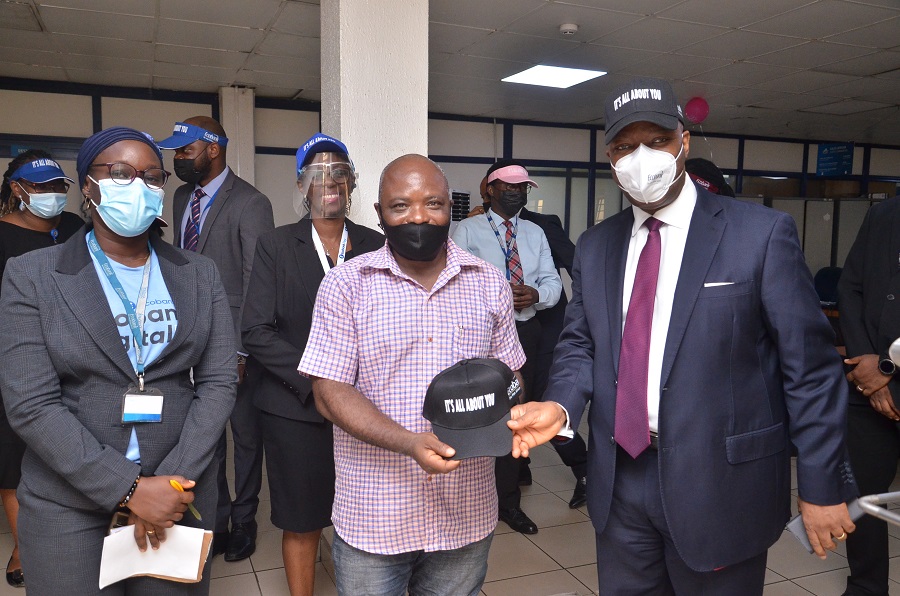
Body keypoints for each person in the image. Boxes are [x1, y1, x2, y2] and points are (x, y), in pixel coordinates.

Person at [505, 76, 858, 594]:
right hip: (620, 481)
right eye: (625, 147)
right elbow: (581, 343)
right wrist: (559, 405)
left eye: (657, 141)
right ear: (610, 157)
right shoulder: (597, 245)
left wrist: (822, 483)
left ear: (684, 142)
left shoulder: (759, 234)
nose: (641, 158)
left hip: (721, 482)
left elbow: (811, 370)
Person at [0, 126, 237, 594]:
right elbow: (31, 403)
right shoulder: (32, 276)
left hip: (178, 490)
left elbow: (219, 381)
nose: (139, 186)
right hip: (68, 501)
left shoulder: (199, 274)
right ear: (88, 185)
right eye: (122, 173)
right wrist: (130, 489)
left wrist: (168, 487)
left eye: (151, 176)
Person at [298, 154, 525, 596]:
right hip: (376, 515)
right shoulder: (345, 285)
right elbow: (328, 391)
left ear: (450, 209)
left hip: (465, 512)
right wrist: (408, 442)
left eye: (433, 203)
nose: (418, 217)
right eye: (400, 206)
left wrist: (512, 411)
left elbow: (511, 375)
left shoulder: (489, 282)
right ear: (379, 213)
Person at [240, 133, 383, 596]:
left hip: (365, 404)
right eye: (318, 174)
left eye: (339, 173)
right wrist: (320, 379)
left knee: (365, 512)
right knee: (302, 520)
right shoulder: (276, 245)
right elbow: (256, 330)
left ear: (351, 183)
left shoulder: (376, 245)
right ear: (302, 185)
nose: (330, 183)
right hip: (296, 406)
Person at [157, 117, 274, 561]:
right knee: (203, 433)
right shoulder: (181, 197)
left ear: (213, 148)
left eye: (185, 150)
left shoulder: (251, 202)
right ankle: (217, 517)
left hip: (234, 343)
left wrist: (242, 350)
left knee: (244, 436)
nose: (178, 159)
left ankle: (244, 520)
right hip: (186, 339)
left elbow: (257, 281)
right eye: (175, 152)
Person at [452, 162, 561, 534]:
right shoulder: (467, 230)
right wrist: (498, 296)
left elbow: (552, 281)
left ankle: (508, 502)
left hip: (526, 332)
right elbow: (455, 283)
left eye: (522, 187)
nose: (516, 192)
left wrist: (536, 294)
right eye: (509, 186)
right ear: (490, 188)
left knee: (516, 415)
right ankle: (469, 496)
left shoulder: (535, 232)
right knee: (480, 415)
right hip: (481, 337)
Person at [0, 150, 84, 588]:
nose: (53, 194)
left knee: (68, 448)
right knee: (14, 463)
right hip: (19, 361)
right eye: (42, 187)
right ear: (18, 190)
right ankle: (24, 548)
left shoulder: (72, 227)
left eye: (58, 186)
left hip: (74, 357)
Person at [837, 194, 900, 596]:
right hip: (867, 385)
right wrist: (868, 369)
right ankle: (865, 586)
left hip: (882, 372)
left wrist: (886, 369)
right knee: (862, 495)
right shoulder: (883, 214)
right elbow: (851, 288)